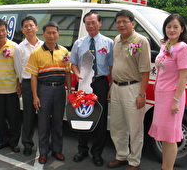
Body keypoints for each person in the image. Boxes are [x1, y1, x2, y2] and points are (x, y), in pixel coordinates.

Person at [107, 10, 151, 170]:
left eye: (125, 21)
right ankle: (121, 155)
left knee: (135, 127)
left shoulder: (140, 41)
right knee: (118, 125)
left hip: (133, 88)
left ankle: (134, 161)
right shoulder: (117, 39)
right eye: (118, 22)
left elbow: (145, 71)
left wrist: (141, 94)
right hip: (117, 87)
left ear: (133, 23)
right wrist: (112, 86)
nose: (121, 24)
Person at [148, 14, 187, 170]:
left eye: (175, 27)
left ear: (182, 29)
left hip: (172, 97)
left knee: (170, 136)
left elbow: (184, 76)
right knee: (165, 136)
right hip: (161, 95)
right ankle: (165, 167)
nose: (171, 30)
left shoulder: (183, 48)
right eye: (168, 27)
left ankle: (168, 168)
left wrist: (176, 100)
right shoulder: (166, 45)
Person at [70, 11, 114, 167]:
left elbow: (111, 66)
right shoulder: (79, 43)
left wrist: (111, 86)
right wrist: (77, 74)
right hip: (82, 83)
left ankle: (97, 153)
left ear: (100, 23)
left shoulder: (109, 43)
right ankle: (82, 150)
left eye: (93, 22)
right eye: (87, 23)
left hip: (100, 83)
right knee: (82, 117)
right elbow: (73, 63)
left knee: (100, 119)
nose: (90, 25)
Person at [26, 21, 71, 164]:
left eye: (54, 32)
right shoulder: (35, 53)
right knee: (43, 123)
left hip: (59, 90)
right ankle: (43, 152)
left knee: (58, 122)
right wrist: (35, 96)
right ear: (43, 34)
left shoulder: (64, 52)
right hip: (43, 90)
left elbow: (68, 73)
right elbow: (33, 76)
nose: (51, 35)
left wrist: (69, 91)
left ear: (58, 34)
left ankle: (57, 150)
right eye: (48, 33)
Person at [0, 18, 21, 153]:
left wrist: (19, 85)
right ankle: (3, 141)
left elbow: (19, 68)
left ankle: (13, 142)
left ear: (7, 30)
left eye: (3, 30)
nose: (1, 33)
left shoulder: (14, 47)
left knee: (14, 118)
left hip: (12, 89)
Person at [13, 16, 44, 156]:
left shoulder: (44, 45)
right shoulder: (19, 48)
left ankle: (45, 144)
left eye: (31, 25)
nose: (29, 28)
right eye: (25, 26)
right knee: (28, 115)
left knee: (44, 115)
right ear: (22, 30)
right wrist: (20, 84)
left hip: (43, 83)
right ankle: (27, 143)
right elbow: (19, 69)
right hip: (26, 83)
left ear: (36, 27)